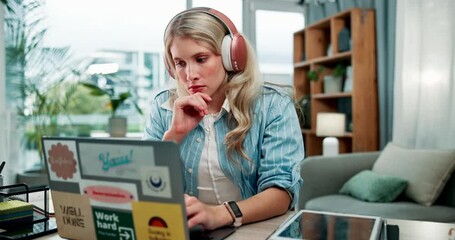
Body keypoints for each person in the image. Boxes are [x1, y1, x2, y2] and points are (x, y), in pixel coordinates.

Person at [143, 7, 304, 231]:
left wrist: (219, 214)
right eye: (180, 63)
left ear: (231, 57)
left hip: (255, 228)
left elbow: (282, 192)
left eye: (201, 59)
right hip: (189, 230)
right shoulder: (163, 107)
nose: (190, 75)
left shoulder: (273, 105)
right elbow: (145, 187)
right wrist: (173, 137)